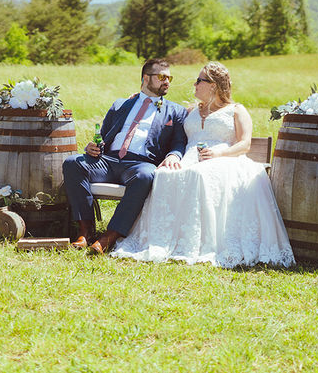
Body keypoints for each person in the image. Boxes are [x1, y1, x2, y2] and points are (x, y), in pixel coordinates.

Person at [112, 62, 295, 268]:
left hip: (225, 159)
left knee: (199, 175)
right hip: (190, 158)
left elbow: (245, 144)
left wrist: (219, 153)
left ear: (213, 85)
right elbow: (162, 111)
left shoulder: (236, 110)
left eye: (199, 80)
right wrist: (137, 99)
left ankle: (201, 242)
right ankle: (162, 239)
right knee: (163, 175)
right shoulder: (190, 110)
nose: (195, 84)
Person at [62, 58, 188, 254]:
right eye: (162, 77)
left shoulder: (176, 111)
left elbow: (179, 142)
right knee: (72, 163)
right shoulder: (122, 104)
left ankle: (109, 236)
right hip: (108, 160)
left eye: (169, 77)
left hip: (140, 163)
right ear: (146, 78)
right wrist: (92, 147)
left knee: (145, 175)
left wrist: (174, 155)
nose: (167, 82)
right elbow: (102, 136)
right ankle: (85, 232)